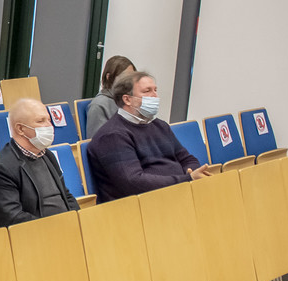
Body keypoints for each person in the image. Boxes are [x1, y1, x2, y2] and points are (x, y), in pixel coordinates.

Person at [84, 69, 210, 202]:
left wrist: (192, 173)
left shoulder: (159, 125)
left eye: (155, 90)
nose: (155, 96)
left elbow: (187, 159)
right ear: (127, 99)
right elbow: (133, 182)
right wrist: (186, 180)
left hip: (173, 195)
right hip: (138, 205)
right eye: (147, 91)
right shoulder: (112, 135)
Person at [0, 99, 80, 228]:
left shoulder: (47, 155)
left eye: (49, 120)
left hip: (66, 228)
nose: (49, 126)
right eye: (40, 121)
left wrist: (76, 221)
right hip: (37, 234)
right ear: (20, 129)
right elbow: (12, 218)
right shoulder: (0, 168)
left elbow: (66, 196)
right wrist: (54, 227)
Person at [83, 54, 134, 138]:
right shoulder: (99, 106)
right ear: (109, 77)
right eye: (125, 78)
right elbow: (98, 141)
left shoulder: (128, 101)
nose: (129, 82)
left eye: (132, 78)